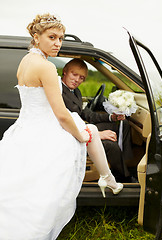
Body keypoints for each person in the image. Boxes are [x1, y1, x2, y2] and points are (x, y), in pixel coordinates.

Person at [0, 13, 123, 240]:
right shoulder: (45, 67)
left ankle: (107, 178)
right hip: (43, 128)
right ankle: (107, 177)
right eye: (52, 37)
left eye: (61, 38)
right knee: (87, 133)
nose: (58, 43)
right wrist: (80, 136)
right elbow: (62, 115)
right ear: (36, 37)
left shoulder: (25, 62)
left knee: (20, 188)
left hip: (24, 129)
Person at [61, 58, 135, 183]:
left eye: (81, 78)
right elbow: (65, 123)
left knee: (122, 124)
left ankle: (127, 162)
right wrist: (98, 135)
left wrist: (111, 117)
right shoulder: (59, 91)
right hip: (71, 135)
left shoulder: (75, 91)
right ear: (65, 72)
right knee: (111, 146)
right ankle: (124, 176)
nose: (77, 80)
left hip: (80, 128)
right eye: (74, 74)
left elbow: (86, 114)